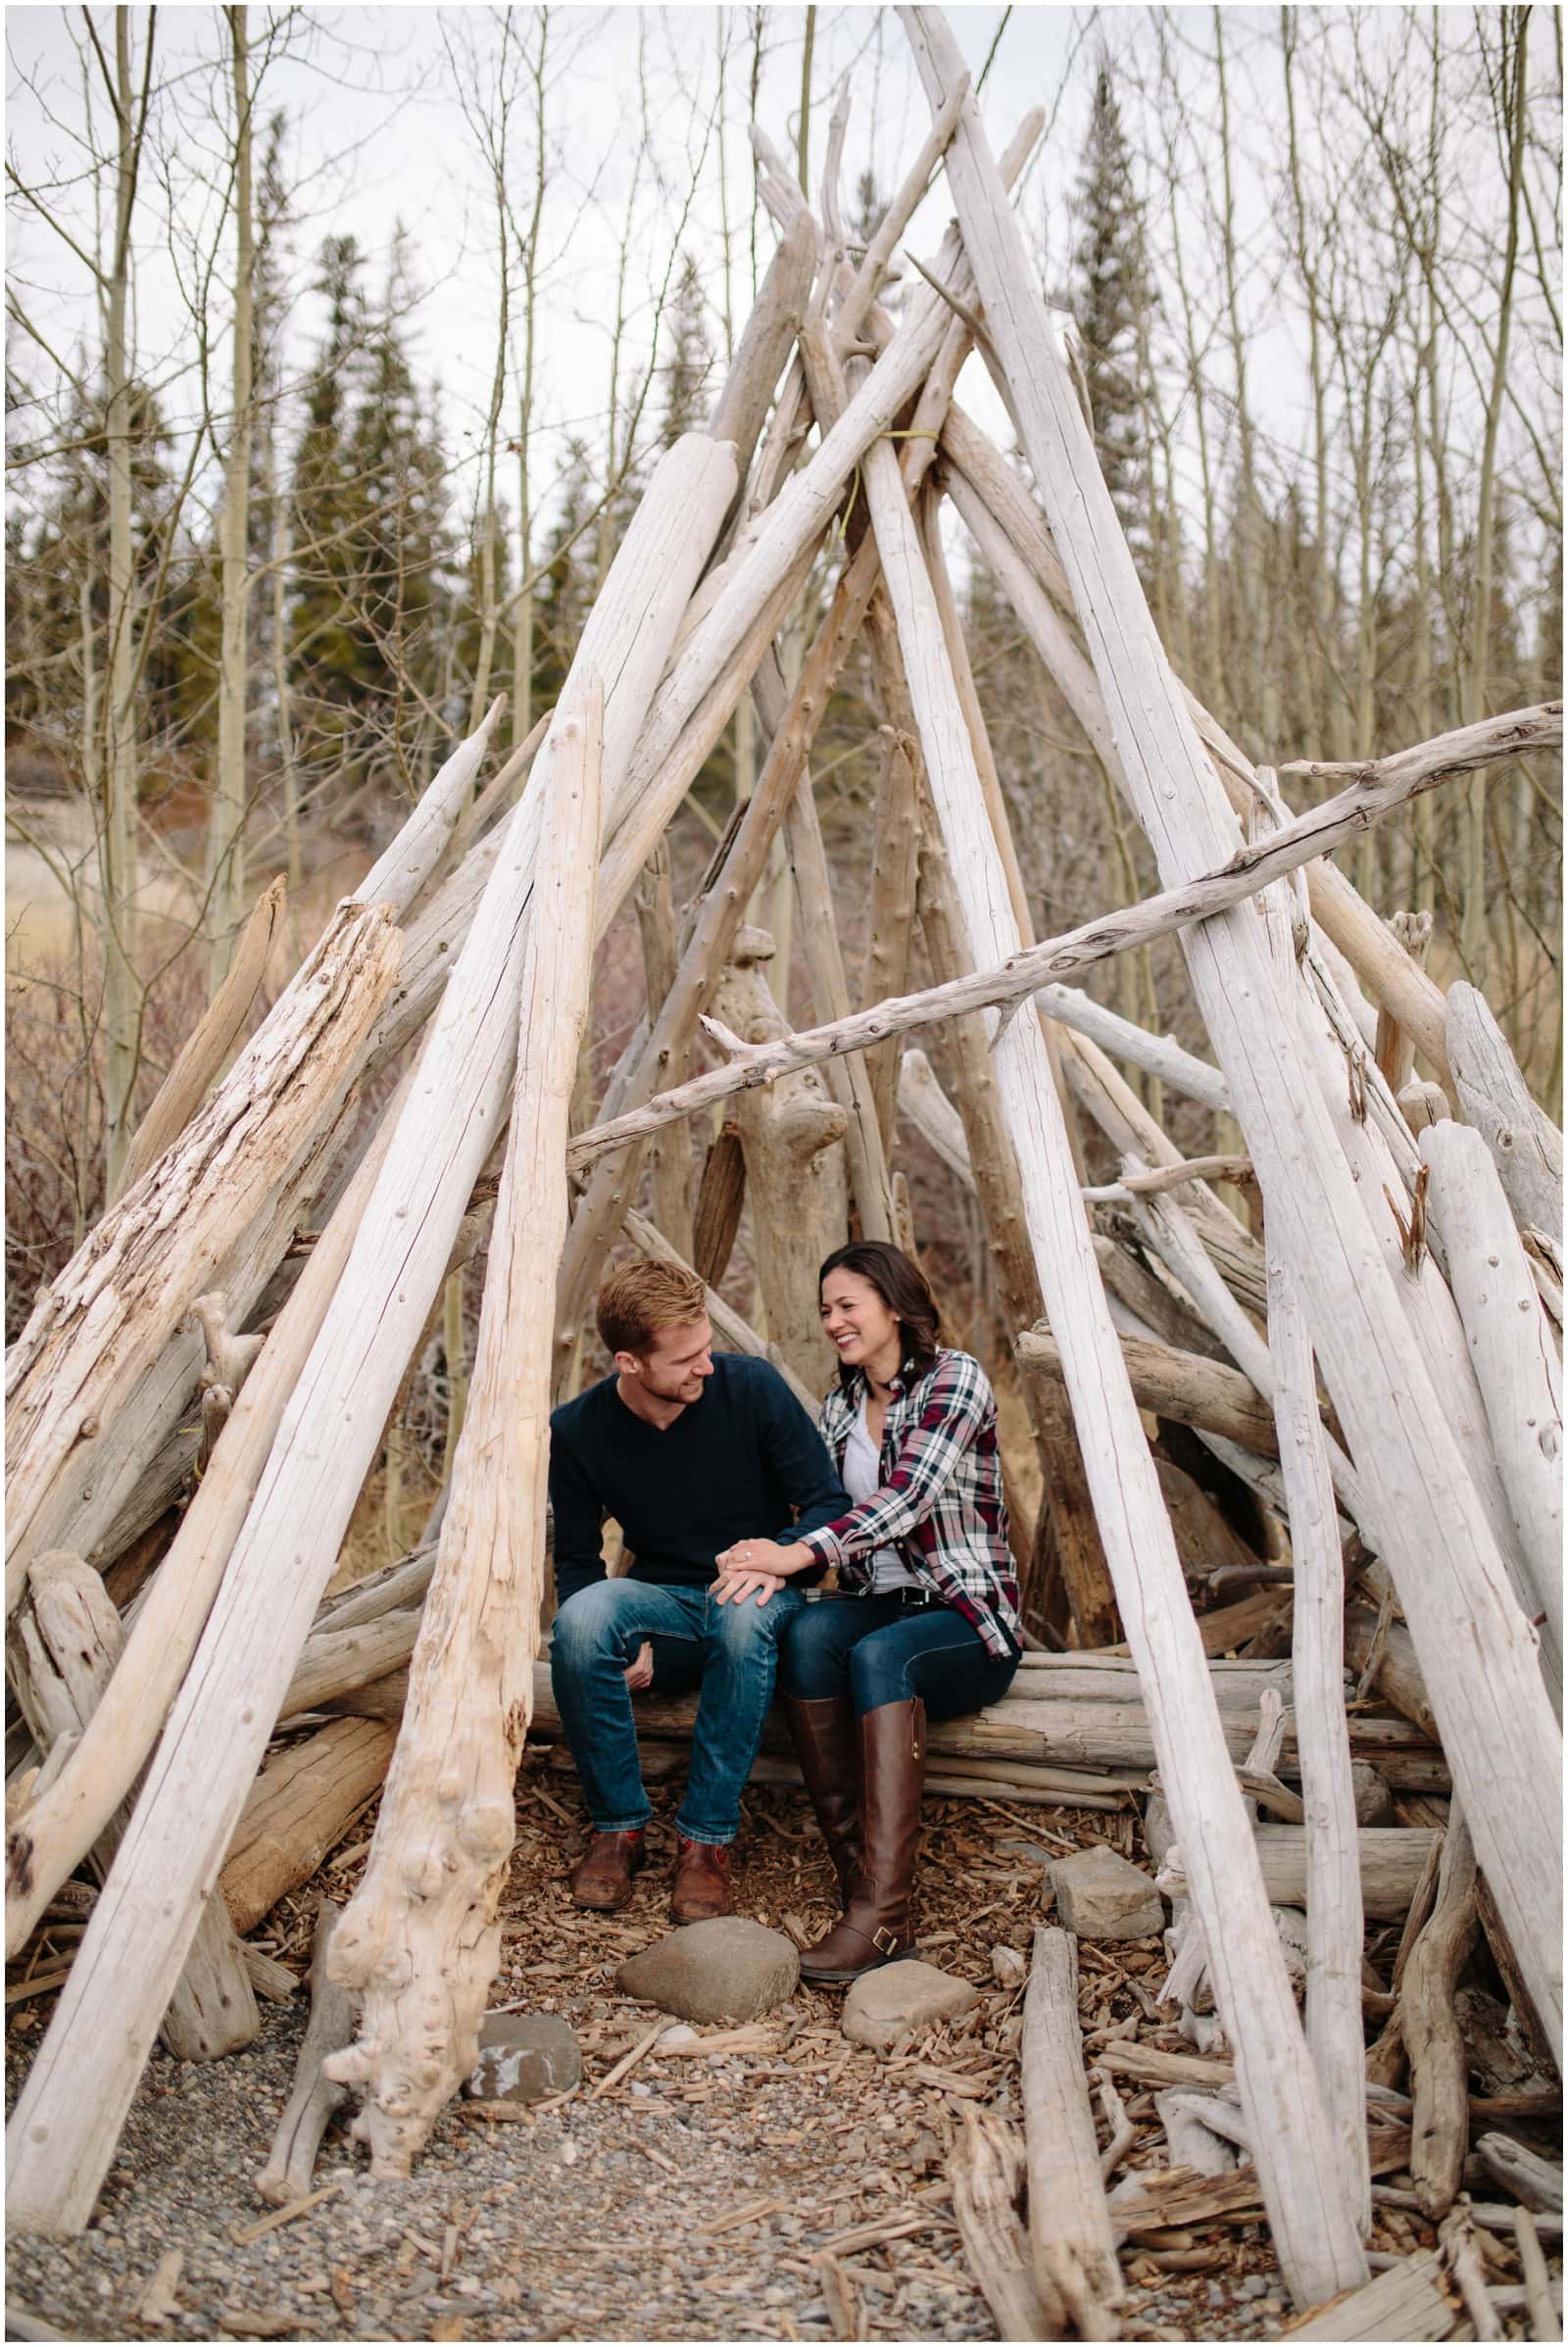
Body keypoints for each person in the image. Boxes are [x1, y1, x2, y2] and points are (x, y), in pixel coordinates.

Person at [710, 1242, 1021, 1982]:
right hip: (877, 1603)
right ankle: (864, 1884)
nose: (833, 1322)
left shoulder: (956, 1379)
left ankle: (884, 1921)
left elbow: (906, 1498)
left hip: (964, 1617)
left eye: (847, 1305)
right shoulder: (843, 1405)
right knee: (813, 1635)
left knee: (883, 1657)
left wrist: (797, 1555)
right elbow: (818, 1509)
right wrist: (755, 1557)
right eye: (826, 1310)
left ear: (892, 1303)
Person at [549, 1259, 850, 1925]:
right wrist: (630, 1642)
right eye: (686, 1358)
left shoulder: (753, 1388)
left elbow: (829, 1505)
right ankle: (618, 1826)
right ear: (629, 1362)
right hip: (664, 1599)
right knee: (581, 1620)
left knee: (741, 1615)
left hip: (761, 1592)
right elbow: (575, 1558)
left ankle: (704, 1842)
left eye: (707, 1348)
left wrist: (781, 1558)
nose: (706, 1367)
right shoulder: (578, 1429)